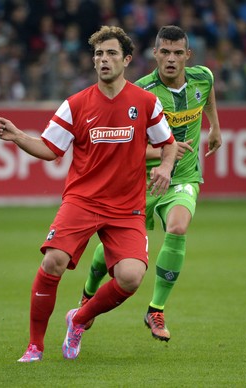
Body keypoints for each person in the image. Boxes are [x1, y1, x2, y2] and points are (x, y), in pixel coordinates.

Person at [0, 25, 178, 362]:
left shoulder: (145, 103)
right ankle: (35, 346)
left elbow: (168, 145)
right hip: (83, 200)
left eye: (110, 54)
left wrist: (165, 168)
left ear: (127, 59)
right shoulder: (76, 104)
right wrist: (18, 136)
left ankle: (78, 319)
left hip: (126, 207)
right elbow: (50, 148)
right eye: (98, 54)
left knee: (132, 277)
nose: (103, 60)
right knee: (53, 261)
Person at [78, 25, 222, 342]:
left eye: (177, 53)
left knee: (179, 227)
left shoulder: (203, 77)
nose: (171, 59)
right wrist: (161, 152)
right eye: (164, 52)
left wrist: (214, 127)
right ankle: (88, 294)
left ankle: (155, 309)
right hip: (138, 182)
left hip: (183, 176)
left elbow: (208, 94)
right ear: (154, 54)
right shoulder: (139, 94)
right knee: (111, 251)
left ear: (188, 55)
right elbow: (122, 147)